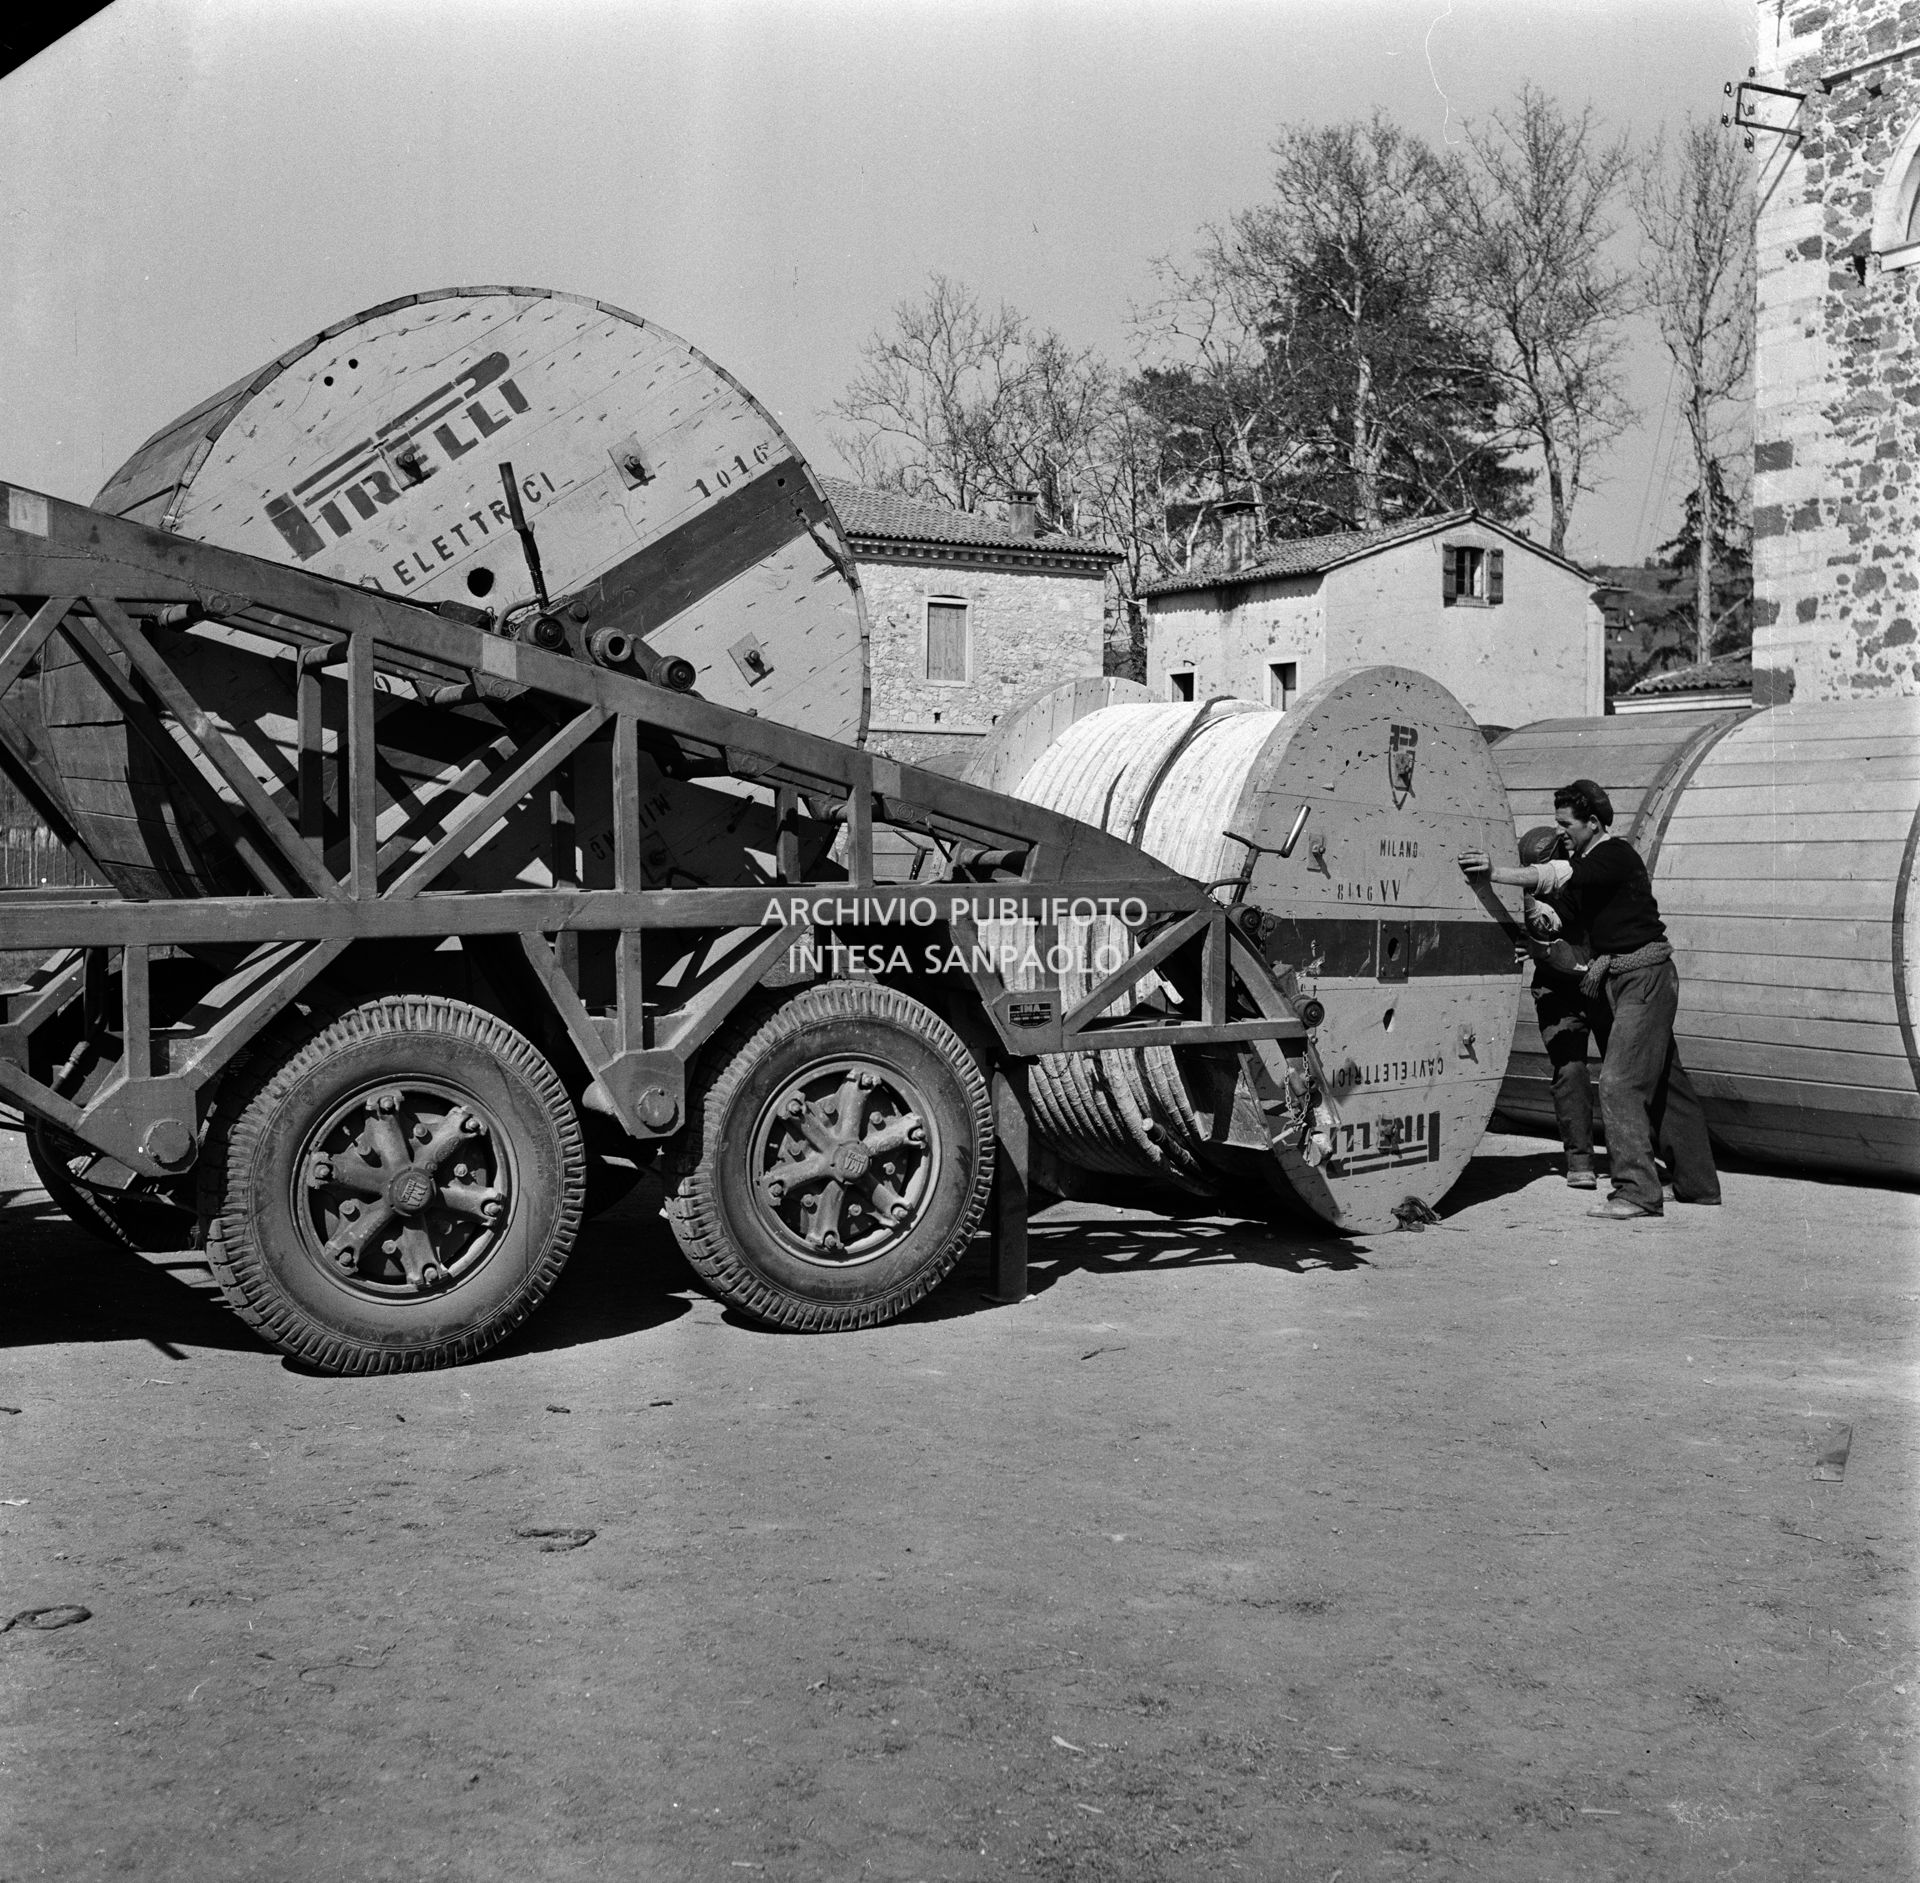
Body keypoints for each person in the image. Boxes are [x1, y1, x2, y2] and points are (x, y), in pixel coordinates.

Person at [1462, 779, 1720, 1220]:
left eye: (1566, 824)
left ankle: (1637, 1192)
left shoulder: (1613, 855)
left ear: (1594, 823)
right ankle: (1698, 1186)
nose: (1559, 831)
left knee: (1619, 1082)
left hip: (1643, 976)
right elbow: (1561, 921)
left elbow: (1557, 875)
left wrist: (1496, 874)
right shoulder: (1589, 867)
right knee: (1666, 1082)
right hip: (1624, 977)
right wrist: (1533, 924)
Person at [1515, 825, 1598, 1190]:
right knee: (1570, 1068)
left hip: (1597, 979)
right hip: (1556, 988)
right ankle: (1580, 1161)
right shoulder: (1532, 893)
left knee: (1627, 1071)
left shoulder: (1586, 880)